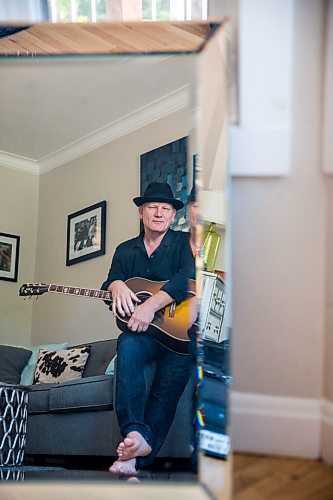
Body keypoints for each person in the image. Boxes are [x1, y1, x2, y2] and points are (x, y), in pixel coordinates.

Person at [101, 181, 195, 476]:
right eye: (152, 207)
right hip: (142, 335)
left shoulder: (183, 243)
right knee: (126, 344)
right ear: (141, 212)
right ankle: (134, 433)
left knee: (166, 390)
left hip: (181, 337)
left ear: (172, 215)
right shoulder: (125, 251)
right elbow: (111, 285)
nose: (159, 213)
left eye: (165, 208)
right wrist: (115, 285)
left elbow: (189, 277)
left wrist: (150, 305)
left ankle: (133, 457)